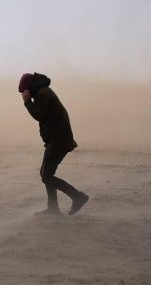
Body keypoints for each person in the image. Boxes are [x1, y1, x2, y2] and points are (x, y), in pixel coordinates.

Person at [19, 73, 89, 215]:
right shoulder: (43, 91)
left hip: (59, 140)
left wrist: (27, 102)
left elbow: (39, 114)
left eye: (25, 91)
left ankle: (78, 196)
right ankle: (53, 208)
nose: (25, 94)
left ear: (29, 87)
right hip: (56, 139)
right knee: (45, 174)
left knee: (47, 176)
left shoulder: (43, 94)